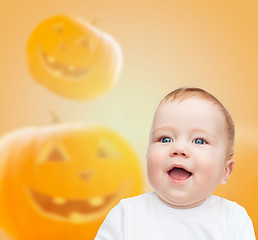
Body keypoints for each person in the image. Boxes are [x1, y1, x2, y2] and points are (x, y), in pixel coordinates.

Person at [94, 87, 256, 240]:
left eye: (199, 141)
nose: (178, 148)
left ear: (225, 171)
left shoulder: (233, 218)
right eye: (165, 139)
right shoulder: (127, 213)